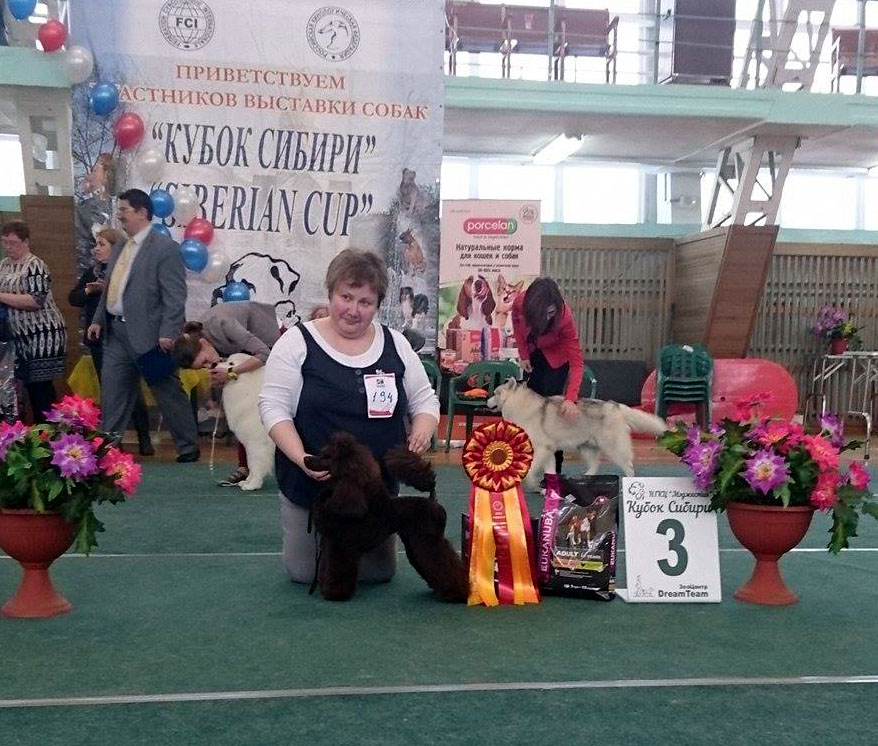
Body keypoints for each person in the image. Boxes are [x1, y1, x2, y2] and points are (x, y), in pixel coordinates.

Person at [259, 249, 439, 584]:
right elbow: (273, 408)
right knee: (306, 575)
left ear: (378, 304)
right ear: (330, 294)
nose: (354, 310)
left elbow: (425, 400)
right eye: (346, 297)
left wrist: (422, 430)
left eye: (365, 302)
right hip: (312, 489)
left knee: (377, 575)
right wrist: (302, 459)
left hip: (377, 495)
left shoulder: (396, 344)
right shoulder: (296, 343)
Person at [87, 188, 200, 462]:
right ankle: (107, 451)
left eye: (124, 210)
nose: (120, 215)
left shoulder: (165, 249)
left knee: (168, 393)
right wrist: (98, 319)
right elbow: (111, 288)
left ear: (142, 212)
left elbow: (175, 296)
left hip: (151, 337)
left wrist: (168, 332)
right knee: (113, 394)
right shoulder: (121, 247)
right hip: (116, 334)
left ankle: (188, 447)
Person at [171, 301, 281, 484]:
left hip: (271, 340)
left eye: (205, 361)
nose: (209, 366)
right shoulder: (203, 339)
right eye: (203, 367)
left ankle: (256, 467)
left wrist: (231, 373)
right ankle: (245, 467)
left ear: (203, 343)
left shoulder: (223, 323)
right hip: (250, 352)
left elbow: (264, 353)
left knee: (257, 414)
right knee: (246, 419)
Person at [69, 227, 153, 455]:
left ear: (116, 248)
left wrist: (107, 289)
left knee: (131, 390)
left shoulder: (127, 271)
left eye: (102, 244)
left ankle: (144, 436)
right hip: (99, 340)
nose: (96, 249)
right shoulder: (92, 272)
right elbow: (73, 298)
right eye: (96, 244)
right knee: (109, 393)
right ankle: (113, 441)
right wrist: (89, 291)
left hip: (123, 338)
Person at [511, 277, 583, 475]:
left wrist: (570, 399)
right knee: (530, 412)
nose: (549, 317)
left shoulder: (564, 317)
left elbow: (577, 362)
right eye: (544, 313)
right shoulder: (520, 302)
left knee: (552, 417)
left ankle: (553, 474)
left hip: (557, 360)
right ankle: (528, 465)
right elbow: (516, 323)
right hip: (534, 354)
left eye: (552, 312)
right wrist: (524, 354)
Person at [0, 221, 67, 424]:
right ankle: (38, 433)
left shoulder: (35, 264)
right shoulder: (3, 265)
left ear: (26, 242)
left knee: (40, 388)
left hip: (43, 334)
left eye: (13, 242)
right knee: (28, 386)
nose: (8, 247)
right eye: (5, 242)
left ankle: (49, 433)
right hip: (19, 337)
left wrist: (1, 296)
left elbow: (35, 301)